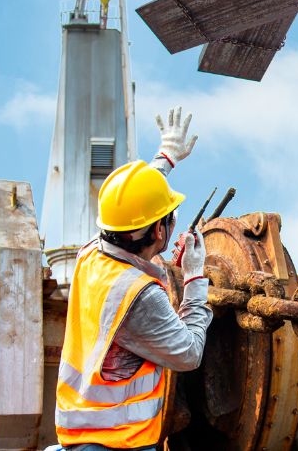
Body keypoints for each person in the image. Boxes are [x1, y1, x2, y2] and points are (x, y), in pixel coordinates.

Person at [54, 107, 212, 451]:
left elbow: (128, 209)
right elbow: (188, 354)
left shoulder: (90, 254)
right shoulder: (139, 295)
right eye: (170, 218)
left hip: (78, 429)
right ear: (159, 230)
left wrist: (165, 158)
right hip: (120, 441)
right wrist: (195, 279)